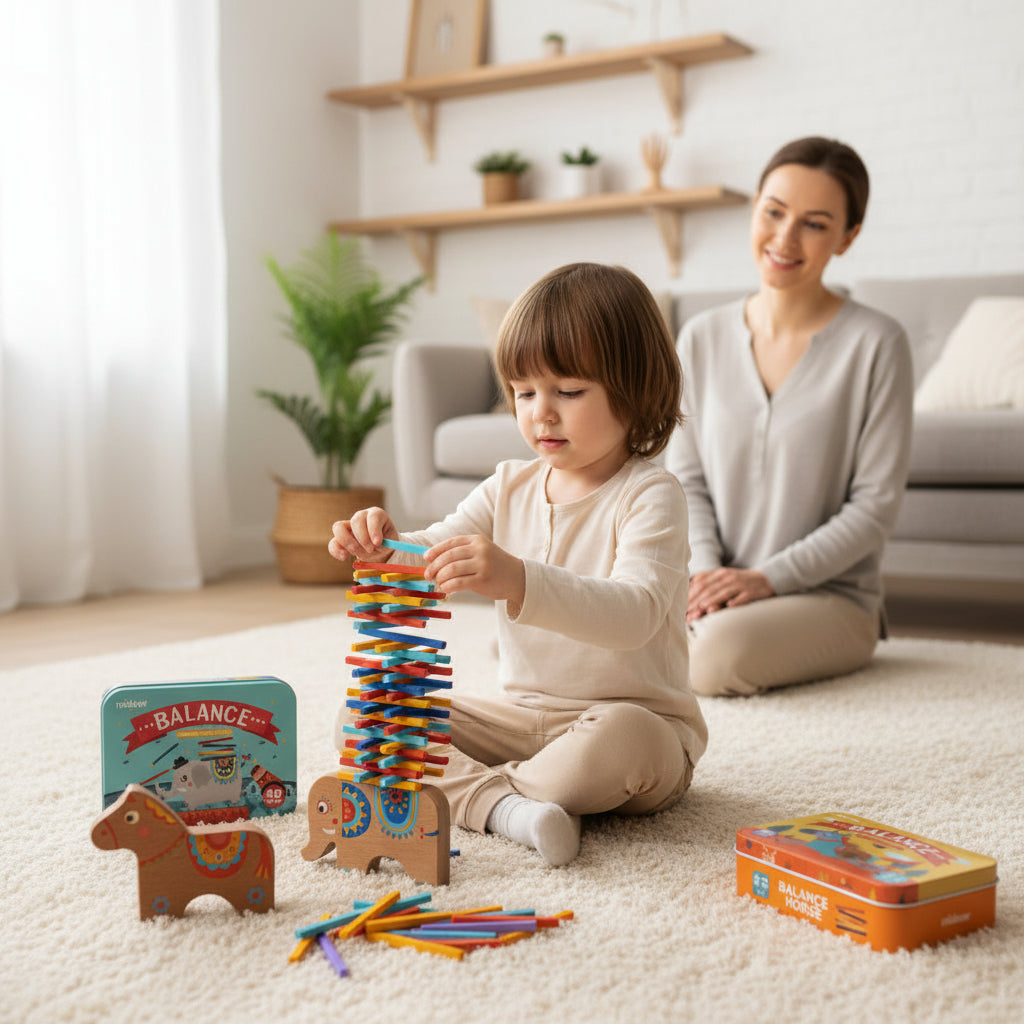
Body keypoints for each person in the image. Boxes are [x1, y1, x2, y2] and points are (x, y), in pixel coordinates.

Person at [329, 262, 708, 867]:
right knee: (368, 711)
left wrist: (517, 578)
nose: (541, 413)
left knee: (616, 742)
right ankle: (511, 809)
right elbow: (432, 553)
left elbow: (634, 614)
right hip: (523, 719)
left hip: (637, 726)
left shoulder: (650, 494)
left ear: (634, 389)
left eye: (569, 391)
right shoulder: (508, 485)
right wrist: (383, 544)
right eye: (524, 392)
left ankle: (475, 793)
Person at [665, 136, 914, 697]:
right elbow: (686, 480)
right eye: (773, 212)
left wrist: (766, 579)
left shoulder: (878, 344)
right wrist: (704, 575)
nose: (784, 238)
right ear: (754, 207)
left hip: (827, 599)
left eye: (815, 224)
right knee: (602, 617)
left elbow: (874, 508)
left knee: (713, 658)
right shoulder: (700, 337)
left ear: (848, 237)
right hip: (709, 584)